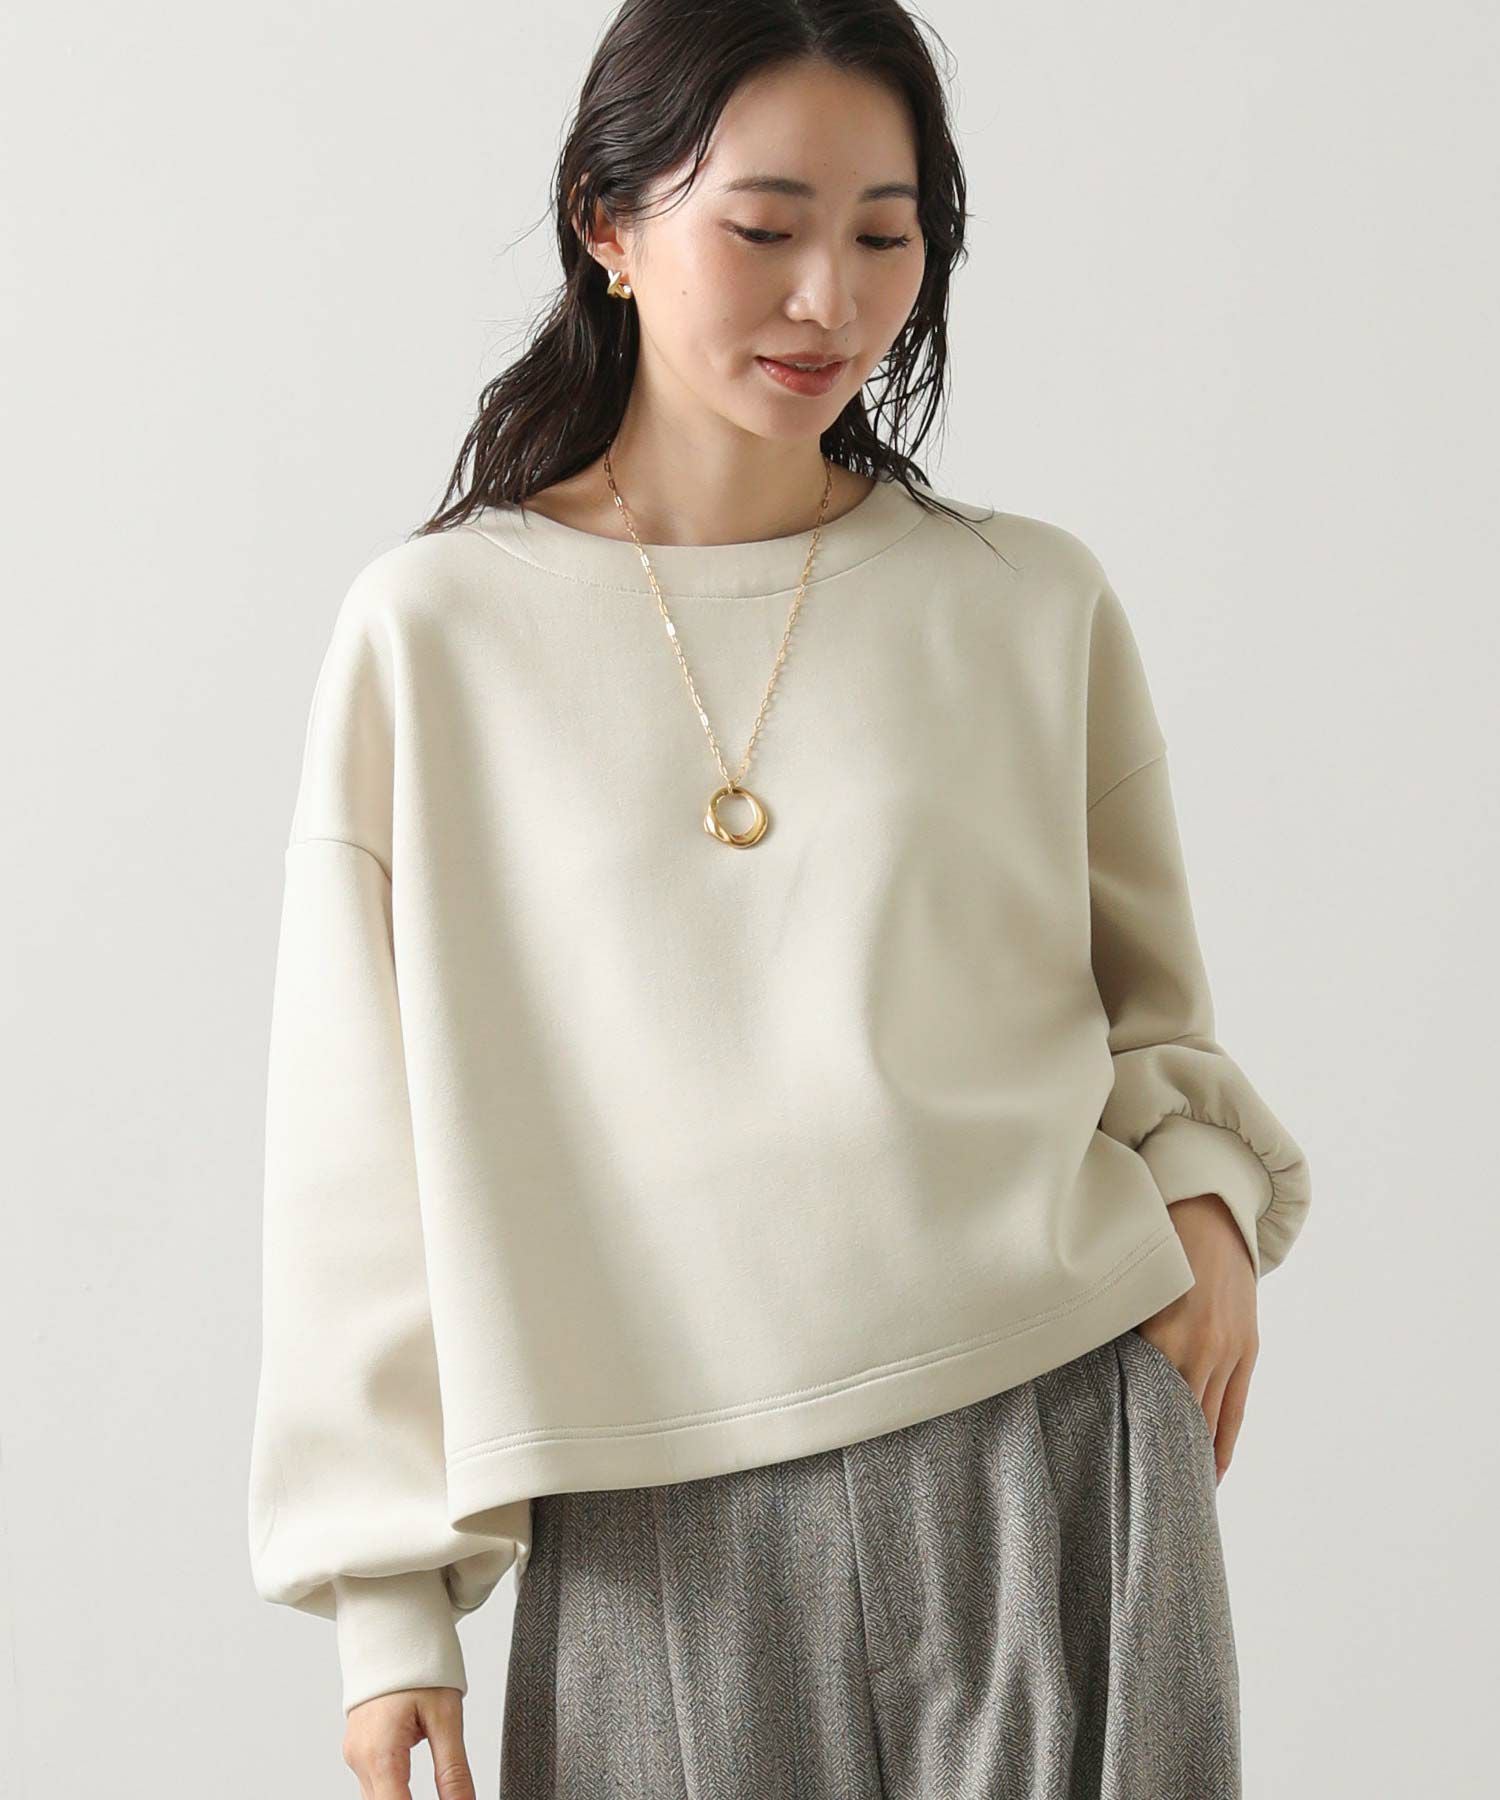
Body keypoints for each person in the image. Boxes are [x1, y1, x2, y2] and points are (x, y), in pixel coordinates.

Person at [247, 3, 1312, 1796]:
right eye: (764, 228)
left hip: (1055, 1438)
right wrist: (387, 1603)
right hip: (658, 1513)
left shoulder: (1026, 604)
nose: (832, 299)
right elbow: (356, 1141)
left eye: (888, 236)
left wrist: (1205, 1200)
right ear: (607, 222)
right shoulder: (436, 636)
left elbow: (1152, 1017)